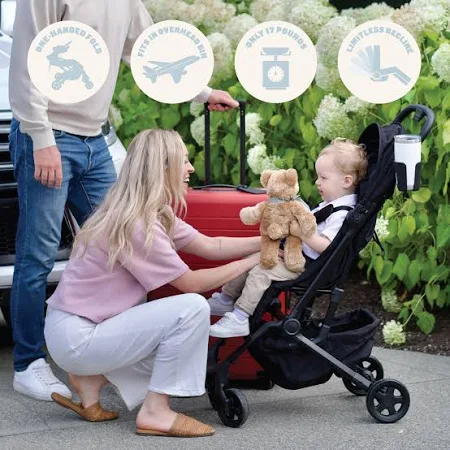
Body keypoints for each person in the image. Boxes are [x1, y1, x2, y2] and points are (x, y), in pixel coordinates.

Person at [10, 0, 239, 402]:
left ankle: (100, 356)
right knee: (39, 254)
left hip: (95, 138)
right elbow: (26, 61)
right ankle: (28, 364)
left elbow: (147, 51)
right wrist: (40, 138)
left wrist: (201, 92)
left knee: (124, 235)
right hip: (48, 136)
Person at [43, 128, 261, 437]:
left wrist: (266, 243)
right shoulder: (137, 224)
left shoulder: (148, 212)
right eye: (184, 161)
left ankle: (90, 380)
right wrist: (253, 262)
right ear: (162, 167)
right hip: (79, 336)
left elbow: (212, 246)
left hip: (74, 330)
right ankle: (155, 412)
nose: (190, 169)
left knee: (180, 340)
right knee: (192, 310)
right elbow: (190, 284)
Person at [209, 138, 369, 338]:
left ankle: (240, 316)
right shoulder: (330, 204)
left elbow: (327, 246)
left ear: (346, 181)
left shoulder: (342, 213)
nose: (317, 182)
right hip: (296, 255)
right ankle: (226, 298)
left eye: (323, 178)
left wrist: (301, 234)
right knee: (251, 258)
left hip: (308, 266)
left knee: (262, 271)